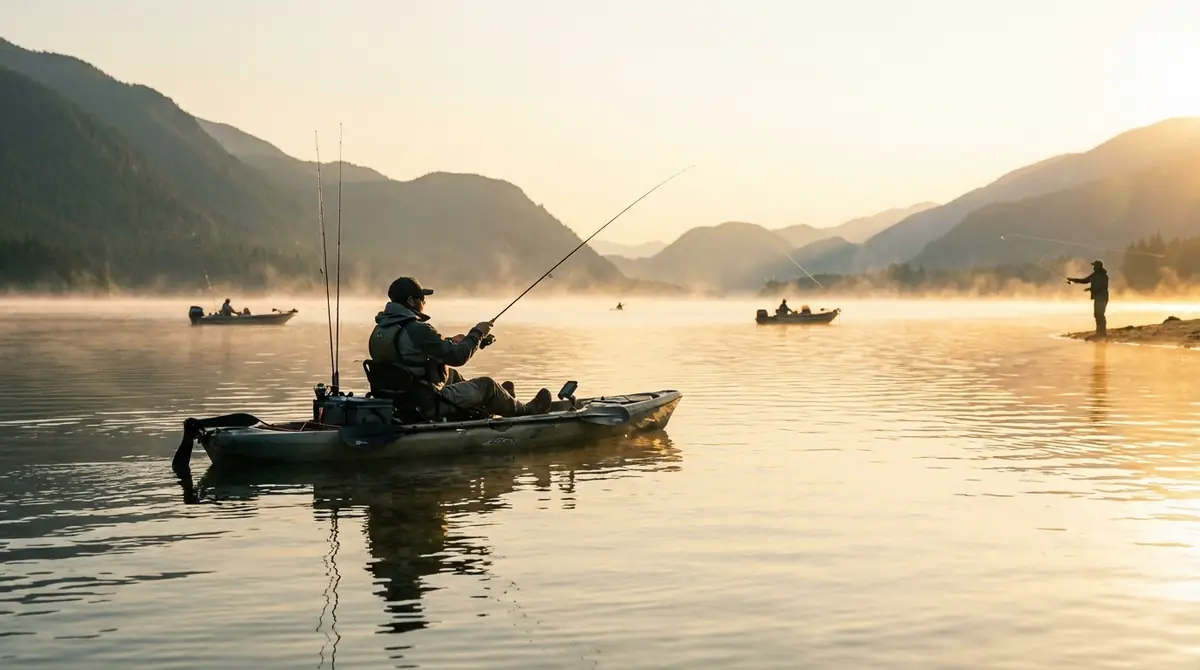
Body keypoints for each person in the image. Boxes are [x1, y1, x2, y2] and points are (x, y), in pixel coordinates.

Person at [368, 276, 552, 418]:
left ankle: (500, 401)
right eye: (422, 298)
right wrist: (478, 333)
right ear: (410, 301)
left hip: (399, 399)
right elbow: (458, 358)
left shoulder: (382, 328)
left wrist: (452, 341)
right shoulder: (417, 329)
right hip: (426, 403)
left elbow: (408, 355)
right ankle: (526, 411)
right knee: (487, 385)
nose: (424, 302)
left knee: (451, 375)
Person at [1068, 260, 1109, 339]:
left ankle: (1102, 333)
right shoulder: (1094, 275)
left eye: (1094, 266)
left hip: (1103, 297)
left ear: (1098, 267)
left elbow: (1103, 287)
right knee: (1097, 314)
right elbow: (1084, 281)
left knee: (1100, 314)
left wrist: (1090, 289)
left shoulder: (1104, 276)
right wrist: (1072, 280)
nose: (1093, 268)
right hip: (1098, 297)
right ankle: (1099, 332)